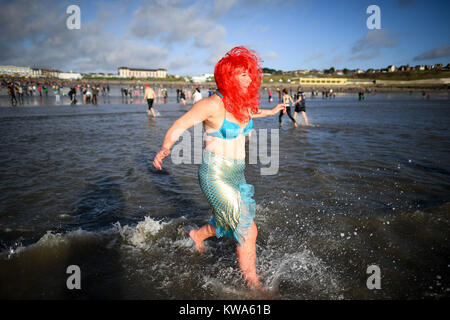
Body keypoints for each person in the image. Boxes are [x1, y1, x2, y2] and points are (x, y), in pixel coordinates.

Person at [152, 46, 286, 290]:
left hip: (236, 173)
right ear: (228, 76)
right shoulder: (212, 105)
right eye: (243, 74)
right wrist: (165, 147)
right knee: (248, 228)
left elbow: (253, 113)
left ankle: (197, 235)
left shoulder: (242, 105)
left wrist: (273, 111)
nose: (250, 78)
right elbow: (180, 125)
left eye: (250, 73)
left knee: (228, 221)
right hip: (215, 174)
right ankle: (254, 285)